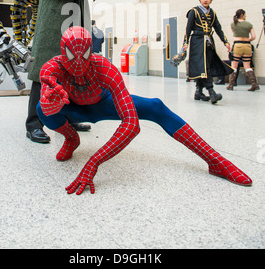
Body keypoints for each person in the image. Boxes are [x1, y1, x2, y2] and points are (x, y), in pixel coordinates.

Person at [36, 26, 252, 195]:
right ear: (62, 52)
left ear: (91, 51)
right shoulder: (52, 68)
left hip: (103, 103)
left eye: (84, 55)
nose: (78, 64)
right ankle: (71, 139)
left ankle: (215, 160)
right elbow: (46, 103)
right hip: (73, 107)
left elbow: (131, 125)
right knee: (42, 109)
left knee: (155, 107)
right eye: (72, 56)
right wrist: (51, 103)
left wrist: (94, 162)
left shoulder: (104, 68)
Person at [26, 0, 103, 143]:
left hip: (76, 17)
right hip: (54, 18)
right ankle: (34, 124)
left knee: (72, 69)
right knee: (44, 70)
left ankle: (68, 118)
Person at [183, 0, 233, 104]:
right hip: (197, 42)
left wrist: (225, 42)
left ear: (211, 0)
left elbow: (218, 28)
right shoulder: (193, 12)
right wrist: (185, 43)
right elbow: (188, 29)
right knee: (204, 68)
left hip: (209, 42)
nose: (206, 0)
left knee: (206, 67)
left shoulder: (212, 13)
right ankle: (211, 92)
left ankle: (198, 92)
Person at [226, 9, 259, 91]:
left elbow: (233, 32)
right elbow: (254, 36)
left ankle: (231, 85)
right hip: (247, 46)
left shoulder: (233, 24)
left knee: (234, 66)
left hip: (237, 45)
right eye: (245, 14)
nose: (245, 16)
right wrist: (248, 40)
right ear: (243, 14)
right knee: (247, 66)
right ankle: (254, 84)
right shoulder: (249, 24)